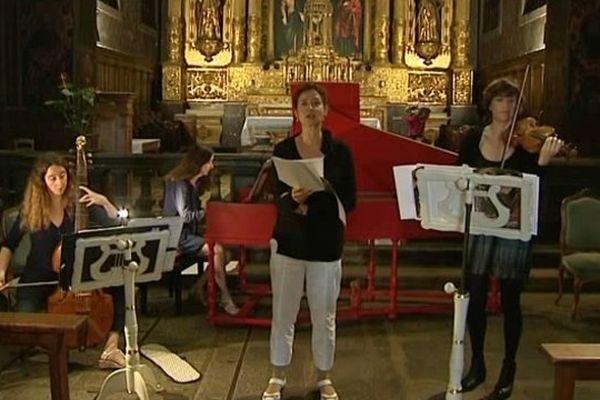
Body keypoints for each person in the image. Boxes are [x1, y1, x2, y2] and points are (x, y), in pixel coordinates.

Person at [457, 78, 564, 399]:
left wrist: (543, 163)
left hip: (513, 229)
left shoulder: (526, 141)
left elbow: (535, 186)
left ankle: (508, 367)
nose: (506, 106)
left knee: (510, 300)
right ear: (489, 104)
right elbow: (459, 174)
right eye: (501, 100)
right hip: (479, 224)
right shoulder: (473, 137)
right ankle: (477, 364)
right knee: (474, 295)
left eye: (512, 100)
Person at [262, 83, 357, 400]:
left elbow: (349, 199)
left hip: (326, 244)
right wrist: (292, 199)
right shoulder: (283, 151)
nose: (311, 108)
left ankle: (323, 377)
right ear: (296, 112)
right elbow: (275, 196)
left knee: (324, 315)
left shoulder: (340, 152)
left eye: (317, 103)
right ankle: (278, 376)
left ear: (325, 110)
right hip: (289, 242)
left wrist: (309, 205)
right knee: (283, 312)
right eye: (304, 103)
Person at [0, 153, 126, 369]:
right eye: (53, 178)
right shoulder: (32, 209)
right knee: (25, 327)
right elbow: (9, 244)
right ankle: (57, 346)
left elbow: (116, 225)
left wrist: (104, 202)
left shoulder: (80, 204)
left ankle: (112, 347)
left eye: (62, 176)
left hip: (78, 276)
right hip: (39, 276)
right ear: (42, 181)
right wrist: (1, 271)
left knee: (120, 286)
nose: (59, 183)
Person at [162, 144, 239, 316]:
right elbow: (186, 216)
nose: (212, 166)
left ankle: (197, 288)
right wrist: (206, 211)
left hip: (188, 234)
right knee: (218, 251)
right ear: (199, 163)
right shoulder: (180, 184)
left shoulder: (193, 184)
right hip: (177, 236)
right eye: (210, 162)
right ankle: (225, 297)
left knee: (226, 255)